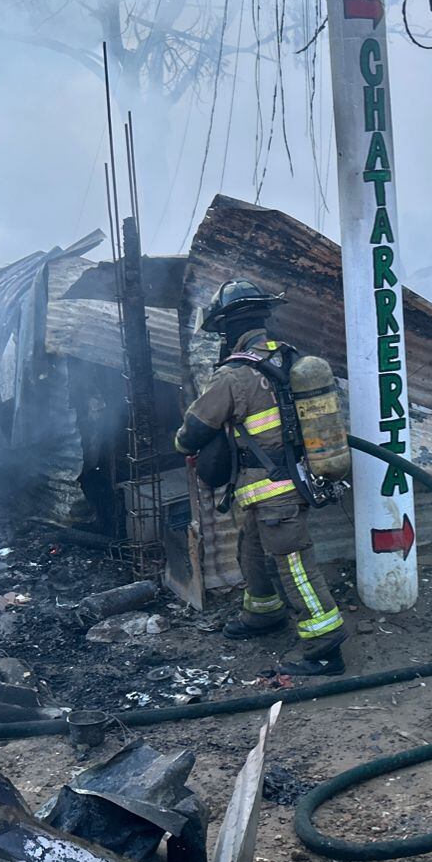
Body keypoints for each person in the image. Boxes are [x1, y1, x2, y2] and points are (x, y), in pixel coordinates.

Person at [174, 279, 348, 676]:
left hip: (276, 491)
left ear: (229, 328)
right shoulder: (287, 359)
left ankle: (325, 647)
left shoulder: (235, 375)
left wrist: (181, 445)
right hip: (273, 487)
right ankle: (263, 614)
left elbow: (196, 429)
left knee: (295, 565)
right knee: (251, 552)